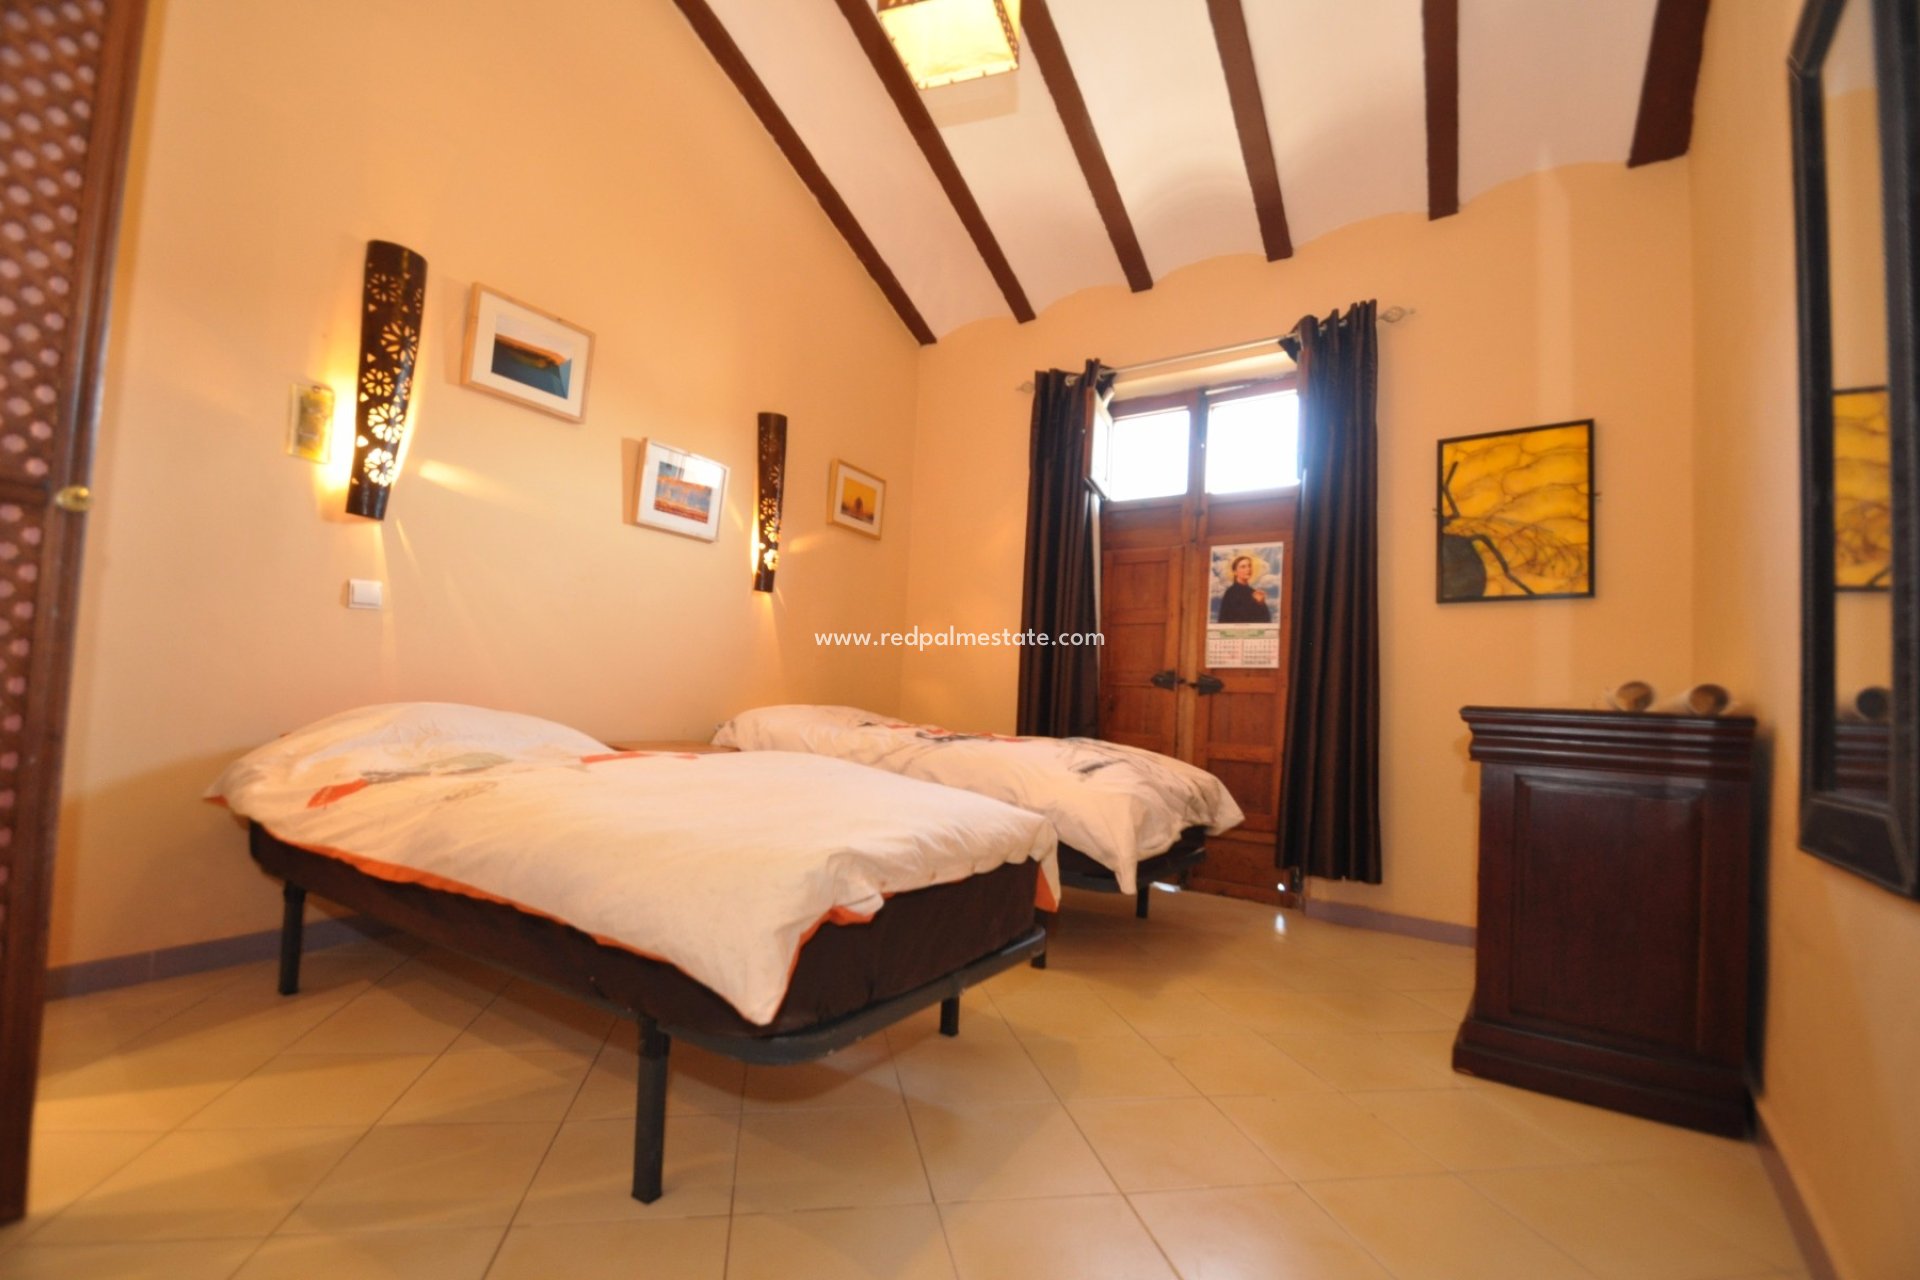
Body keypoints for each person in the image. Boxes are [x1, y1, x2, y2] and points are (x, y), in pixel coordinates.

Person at [1217, 554, 1272, 623]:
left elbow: (1266, 620)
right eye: (1243, 567)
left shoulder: (1254, 593)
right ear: (1235, 572)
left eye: (1249, 566)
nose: (1248, 569)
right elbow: (1224, 620)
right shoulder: (1230, 593)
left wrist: (1261, 604)